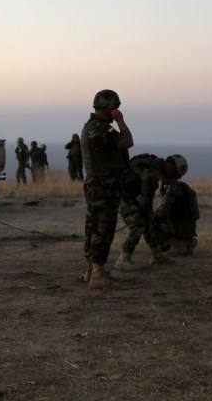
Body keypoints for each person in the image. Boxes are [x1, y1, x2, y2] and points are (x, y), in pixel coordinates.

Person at [81, 89, 134, 289]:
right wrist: (121, 121)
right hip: (104, 186)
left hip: (97, 184)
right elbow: (128, 141)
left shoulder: (92, 126)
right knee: (102, 229)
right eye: (114, 108)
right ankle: (98, 275)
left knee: (93, 227)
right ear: (106, 108)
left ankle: (91, 271)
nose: (116, 111)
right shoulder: (101, 130)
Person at [113, 153, 180, 270]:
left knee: (149, 220)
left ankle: (156, 254)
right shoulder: (153, 171)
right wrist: (144, 210)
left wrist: (147, 214)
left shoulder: (154, 164)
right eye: (173, 174)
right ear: (171, 166)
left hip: (130, 194)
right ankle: (123, 259)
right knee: (137, 225)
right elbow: (146, 196)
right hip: (123, 195)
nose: (170, 177)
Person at [152, 155, 199, 257]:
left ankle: (177, 245)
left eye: (169, 163)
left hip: (181, 228)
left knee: (151, 222)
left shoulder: (173, 188)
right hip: (189, 229)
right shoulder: (182, 186)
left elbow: (162, 213)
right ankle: (187, 242)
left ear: (173, 168)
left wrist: (149, 215)